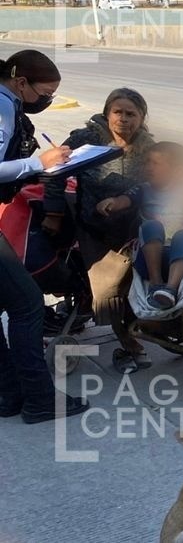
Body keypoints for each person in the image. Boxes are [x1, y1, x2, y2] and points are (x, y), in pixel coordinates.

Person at [0, 49, 89, 424]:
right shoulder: (3, 105)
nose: (46, 101)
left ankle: (10, 393)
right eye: (43, 93)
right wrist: (39, 163)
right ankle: (38, 399)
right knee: (28, 306)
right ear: (21, 83)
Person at [41, 88, 155, 334]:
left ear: (142, 118)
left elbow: (158, 183)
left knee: (136, 288)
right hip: (92, 228)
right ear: (107, 113)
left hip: (133, 227)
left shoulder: (149, 148)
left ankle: (132, 334)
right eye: (117, 112)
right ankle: (125, 341)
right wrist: (53, 213)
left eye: (131, 114)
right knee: (108, 292)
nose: (123, 119)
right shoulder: (85, 139)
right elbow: (54, 172)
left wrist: (127, 199)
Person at [98, 141, 183, 313]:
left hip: (181, 261)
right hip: (148, 260)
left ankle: (170, 289)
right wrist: (112, 202)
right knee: (151, 226)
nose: (148, 167)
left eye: (155, 163)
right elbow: (125, 199)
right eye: (147, 162)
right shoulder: (143, 189)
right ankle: (155, 284)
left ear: (178, 171)